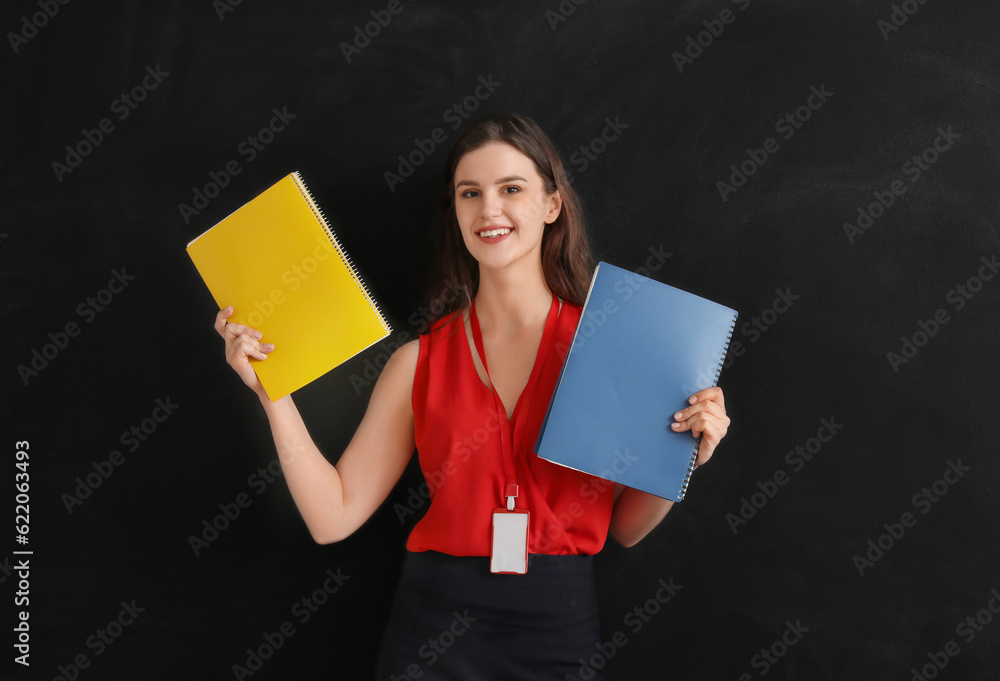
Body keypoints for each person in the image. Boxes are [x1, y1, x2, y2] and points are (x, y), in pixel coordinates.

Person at [213, 112, 730, 680]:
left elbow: (626, 528)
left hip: (557, 626)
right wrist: (272, 394)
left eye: (511, 189)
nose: (489, 210)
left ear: (551, 205)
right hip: (433, 628)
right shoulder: (418, 362)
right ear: (455, 211)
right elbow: (331, 517)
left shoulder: (614, 346)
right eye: (470, 193)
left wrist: (687, 457)